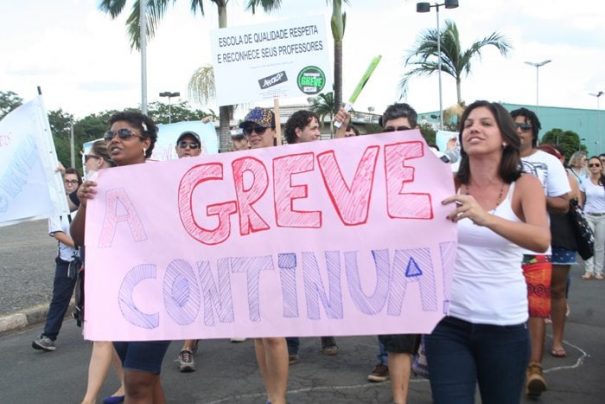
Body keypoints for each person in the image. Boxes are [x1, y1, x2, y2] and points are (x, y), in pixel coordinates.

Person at [425, 100, 550, 404]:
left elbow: (540, 239)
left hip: (504, 326)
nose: (474, 129)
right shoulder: (446, 182)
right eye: (468, 124)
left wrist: (485, 217)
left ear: (505, 137)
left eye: (485, 123)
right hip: (447, 324)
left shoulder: (525, 185)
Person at [71, 111, 171, 404]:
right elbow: (79, 238)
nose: (115, 140)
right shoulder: (101, 182)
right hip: (120, 297)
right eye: (111, 135)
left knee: (137, 380)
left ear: (145, 142)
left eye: (124, 134)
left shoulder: (165, 179)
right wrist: (85, 204)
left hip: (159, 294)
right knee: (146, 379)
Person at [337, 103, 423, 403]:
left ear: (416, 131)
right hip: (388, 262)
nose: (395, 135)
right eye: (389, 130)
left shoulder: (436, 164)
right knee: (398, 337)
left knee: (437, 341)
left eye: (402, 130)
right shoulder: (369, 165)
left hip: (430, 264)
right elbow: (335, 168)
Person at [510, 107, 570, 398]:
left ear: (534, 131)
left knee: (536, 308)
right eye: (514, 126)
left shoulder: (548, 163)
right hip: (499, 248)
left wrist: (533, 195)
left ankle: (534, 367)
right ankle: (502, 364)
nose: (519, 131)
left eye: (525, 126)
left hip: (535, 248)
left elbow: (564, 204)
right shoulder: (495, 159)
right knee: (501, 307)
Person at [240, 107, 289, 404]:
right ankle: (271, 395)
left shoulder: (289, 162)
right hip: (248, 257)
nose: (254, 135)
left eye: (259, 129)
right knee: (258, 333)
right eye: (249, 130)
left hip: (281, 257)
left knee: (273, 333)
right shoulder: (239, 165)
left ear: (274, 131)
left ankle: (279, 398)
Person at [283, 109, 339, 363]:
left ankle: (326, 333)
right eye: (314, 128)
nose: (318, 133)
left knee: (321, 283)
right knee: (290, 289)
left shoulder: (321, 153)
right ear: (298, 132)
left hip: (320, 231)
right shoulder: (278, 158)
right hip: (290, 233)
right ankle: (291, 344)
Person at [78, 141, 126, 404]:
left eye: (89, 157)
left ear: (100, 160)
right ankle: (125, 385)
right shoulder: (90, 189)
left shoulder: (119, 184)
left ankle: (89, 399)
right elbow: (79, 235)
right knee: (106, 335)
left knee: (103, 334)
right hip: (98, 266)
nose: (86, 161)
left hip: (120, 268)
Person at [537, 144, 580, 360]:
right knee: (533, 291)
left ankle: (557, 340)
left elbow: (573, 200)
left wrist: (537, 194)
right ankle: (532, 342)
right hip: (534, 236)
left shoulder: (567, 177)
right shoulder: (524, 175)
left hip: (561, 236)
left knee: (557, 290)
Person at [32, 168, 82, 352]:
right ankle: (48, 336)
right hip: (67, 261)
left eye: (73, 182)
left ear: (79, 184)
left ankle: (99, 334)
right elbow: (57, 233)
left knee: (92, 298)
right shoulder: (55, 206)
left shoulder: (85, 203)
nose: (70, 184)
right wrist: (78, 245)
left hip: (89, 259)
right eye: (66, 181)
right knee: (60, 299)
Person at [173, 131, 202, 372]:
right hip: (171, 251)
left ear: (199, 151)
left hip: (199, 251)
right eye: (183, 145)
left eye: (193, 146)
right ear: (176, 149)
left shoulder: (208, 177)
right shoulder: (163, 177)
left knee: (194, 298)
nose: (188, 149)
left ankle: (187, 348)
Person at [581, 156, 605, 280]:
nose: (594, 167)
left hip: (603, 217)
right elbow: (581, 200)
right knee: (588, 244)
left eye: (597, 164)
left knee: (600, 245)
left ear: (601, 166)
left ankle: (598, 271)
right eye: (591, 165)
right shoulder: (585, 181)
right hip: (588, 215)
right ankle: (588, 270)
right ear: (588, 167)